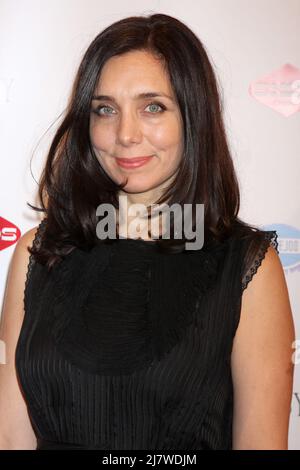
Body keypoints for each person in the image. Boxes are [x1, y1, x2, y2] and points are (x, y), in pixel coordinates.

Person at [0, 13, 295, 450]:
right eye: (105, 109)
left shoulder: (246, 268)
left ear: (193, 118)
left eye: (152, 107)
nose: (125, 134)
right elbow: (10, 435)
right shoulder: (39, 254)